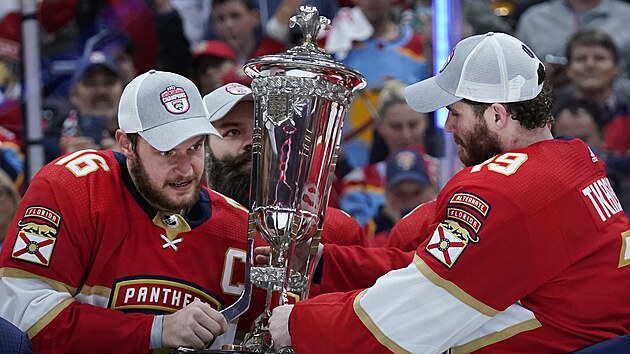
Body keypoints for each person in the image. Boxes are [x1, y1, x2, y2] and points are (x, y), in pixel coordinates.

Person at [266, 32, 630, 353]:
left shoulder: (502, 191)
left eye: (455, 112)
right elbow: (434, 269)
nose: (447, 125)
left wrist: (300, 324)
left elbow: (416, 314)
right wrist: (324, 263)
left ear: (497, 116)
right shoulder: (574, 157)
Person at [0, 70, 277, 352]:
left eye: (194, 147)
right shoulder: (71, 188)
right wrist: (156, 330)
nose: (185, 169)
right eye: (167, 151)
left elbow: (276, 335)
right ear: (126, 144)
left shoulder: (240, 229)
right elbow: (20, 319)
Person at [202, 82, 367, 248]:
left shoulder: (330, 229)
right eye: (233, 132)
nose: (253, 142)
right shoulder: (183, 229)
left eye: (261, 129)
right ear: (201, 147)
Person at [43, 50, 124, 162]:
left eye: (109, 82)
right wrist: (65, 164)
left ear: (123, 90)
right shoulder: (50, 143)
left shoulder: (139, 138)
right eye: (90, 84)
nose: (101, 91)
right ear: (74, 95)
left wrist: (127, 162)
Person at [364, 146, 436, 246]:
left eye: (417, 193)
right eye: (401, 194)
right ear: (386, 192)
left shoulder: (448, 235)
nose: (410, 202)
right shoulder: (369, 239)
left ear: (432, 189)